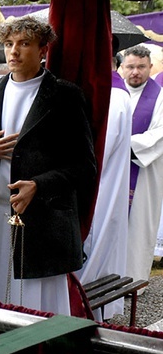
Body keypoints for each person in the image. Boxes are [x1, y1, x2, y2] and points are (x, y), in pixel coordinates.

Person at [0, 16, 96, 314]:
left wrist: (39, 185)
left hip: (42, 224)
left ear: (43, 49)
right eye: (9, 44)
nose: (14, 52)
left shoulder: (65, 96)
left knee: (36, 312)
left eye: (24, 44)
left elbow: (84, 166)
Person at [75, 39, 132, 319]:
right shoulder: (111, 93)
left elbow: (97, 153)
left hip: (98, 191)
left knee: (92, 255)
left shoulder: (112, 97)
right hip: (104, 189)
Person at [121, 45, 163, 287]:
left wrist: (122, 148)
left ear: (150, 68)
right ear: (122, 68)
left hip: (144, 172)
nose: (135, 72)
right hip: (114, 173)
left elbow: (159, 134)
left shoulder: (159, 97)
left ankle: (134, 281)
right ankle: (108, 275)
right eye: (131, 67)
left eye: (141, 67)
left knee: (139, 226)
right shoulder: (114, 94)